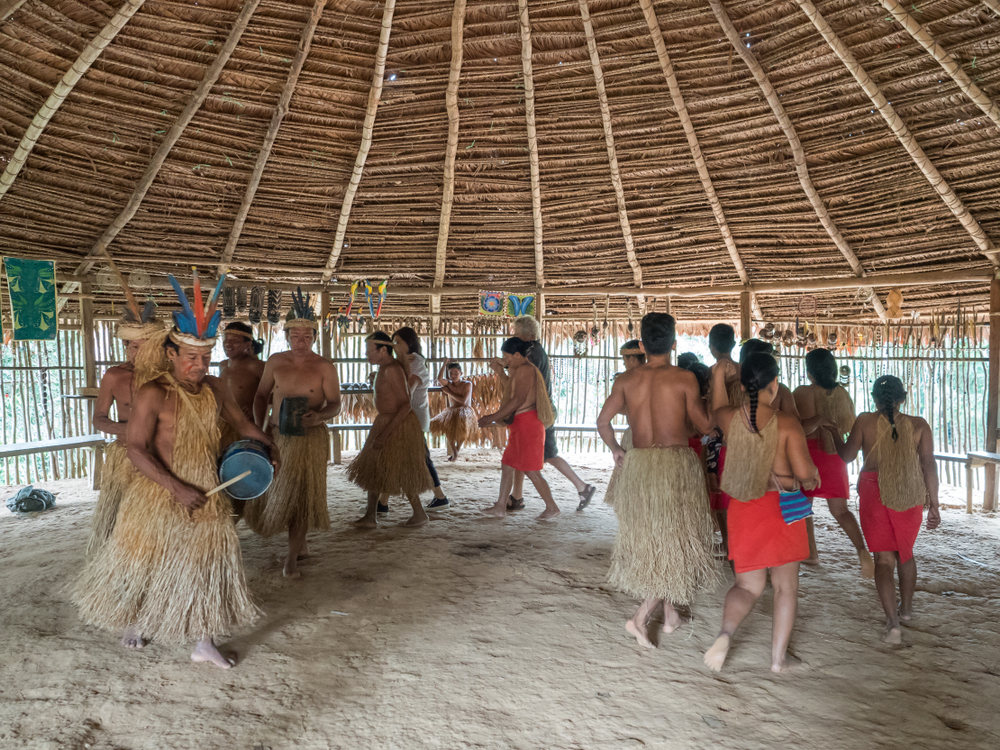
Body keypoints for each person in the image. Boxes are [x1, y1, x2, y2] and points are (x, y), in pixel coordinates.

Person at [74, 277, 278, 668]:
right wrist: (175, 487)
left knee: (209, 561)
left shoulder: (216, 387)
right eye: (189, 356)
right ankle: (134, 620)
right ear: (170, 352)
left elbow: (241, 423)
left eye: (204, 357)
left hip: (208, 485)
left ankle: (204, 640)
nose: (198, 365)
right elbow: (135, 449)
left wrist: (269, 444)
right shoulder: (154, 392)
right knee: (145, 557)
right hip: (158, 488)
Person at [597, 313, 717, 649]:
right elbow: (705, 426)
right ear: (674, 343)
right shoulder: (683, 379)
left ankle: (672, 616)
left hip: (641, 467)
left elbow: (603, 422)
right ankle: (639, 618)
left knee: (659, 540)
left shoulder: (626, 380)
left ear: (643, 344)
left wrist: (617, 451)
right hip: (674, 466)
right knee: (673, 538)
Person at [704, 353, 818, 673]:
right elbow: (805, 471)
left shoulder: (729, 418)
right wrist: (810, 476)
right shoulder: (787, 423)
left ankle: (725, 634)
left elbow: (716, 409)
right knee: (785, 588)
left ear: (742, 386)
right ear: (775, 384)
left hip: (744, 508)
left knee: (746, 587)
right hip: (780, 509)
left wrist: (716, 375)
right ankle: (778, 660)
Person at [826, 375, 939, 645]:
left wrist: (832, 433)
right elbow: (929, 465)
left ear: (875, 398)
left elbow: (847, 456)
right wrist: (934, 502)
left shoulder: (865, 421)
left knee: (884, 560)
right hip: (909, 493)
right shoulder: (919, 425)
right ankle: (907, 609)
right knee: (906, 554)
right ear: (902, 398)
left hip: (873, 491)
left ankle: (892, 624)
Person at [244, 293, 340, 579]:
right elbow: (261, 396)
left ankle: (291, 558)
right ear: (286, 336)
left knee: (301, 497)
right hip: (278, 437)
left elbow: (335, 404)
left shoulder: (324, 366)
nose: (302, 340)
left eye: (307, 335)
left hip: (309, 440)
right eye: (296, 335)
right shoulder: (275, 362)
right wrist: (262, 430)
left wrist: (318, 416)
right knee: (280, 492)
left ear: (313, 336)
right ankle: (301, 545)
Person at [490, 316, 596, 512]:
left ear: (528, 335)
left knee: (548, 456)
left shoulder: (530, 355)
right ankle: (517, 497)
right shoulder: (532, 352)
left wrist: (502, 371)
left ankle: (581, 488)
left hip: (537, 413)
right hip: (537, 411)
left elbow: (517, 393)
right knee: (522, 457)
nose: (515, 337)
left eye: (517, 334)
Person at [87, 310, 164, 558]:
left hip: (162, 455)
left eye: (144, 347)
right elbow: (98, 419)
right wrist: (131, 430)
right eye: (133, 346)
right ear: (125, 346)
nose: (137, 352)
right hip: (126, 457)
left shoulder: (168, 377)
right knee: (122, 520)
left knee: (157, 518)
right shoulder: (115, 375)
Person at [793, 349, 874, 579]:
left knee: (802, 507)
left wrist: (817, 421)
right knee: (840, 511)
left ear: (810, 372)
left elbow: (797, 427)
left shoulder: (802, 392)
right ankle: (861, 550)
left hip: (808, 454)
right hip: (834, 456)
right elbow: (848, 426)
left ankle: (811, 552)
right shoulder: (842, 394)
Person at [348, 331, 435, 528]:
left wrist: (385, 433)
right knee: (375, 467)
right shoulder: (384, 368)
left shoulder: (392, 369)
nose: (366, 354)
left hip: (397, 424)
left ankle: (419, 514)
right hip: (386, 421)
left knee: (401, 468)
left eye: (370, 350)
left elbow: (405, 405)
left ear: (383, 350)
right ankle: (371, 515)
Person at [479, 337, 559, 520]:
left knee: (531, 471)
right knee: (507, 465)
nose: (505, 361)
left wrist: (492, 417)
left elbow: (517, 400)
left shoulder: (526, 369)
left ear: (517, 354)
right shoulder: (519, 369)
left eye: (507, 357)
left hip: (528, 424)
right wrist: (500, 372)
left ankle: (552, 507)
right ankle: (500, 506)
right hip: (520, 424)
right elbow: (512, 391)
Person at [377, 327, 450, 512]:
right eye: (393, 342)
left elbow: (405, 392)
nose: (395, 345)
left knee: (419, 458)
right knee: (401, 458)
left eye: (398, 342)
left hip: (413, 418)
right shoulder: (403, 362)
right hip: (405, 417)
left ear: (409, 343)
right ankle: (383, 502)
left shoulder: (416, 364)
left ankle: (439, 497)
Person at [603, 340, 645, 507]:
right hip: (662, 444)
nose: (625, 364)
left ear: (633, 359)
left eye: (625, 360)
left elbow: (603, 420)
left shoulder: (626, 380)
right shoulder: (661, 377)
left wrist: (615, 448)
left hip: (635, 438)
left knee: (633, 497)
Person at [218, 321, 266, 453]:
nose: (228, 344)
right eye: (226, 339)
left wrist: (254, 409)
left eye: (234, 340)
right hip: (222, 426)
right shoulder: (222, 365)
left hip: (246, 428)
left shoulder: (258, 366)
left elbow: (271, 396)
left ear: (248, 344)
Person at [429, 361, 478, 462]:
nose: (453, 375)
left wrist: (449, 392)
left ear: (461, 373)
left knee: (462, 422)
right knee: (447, 423)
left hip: (465, 411)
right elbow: (439, 379)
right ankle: (454, 451)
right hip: (451, 411)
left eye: (456, 372)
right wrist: (444, 364)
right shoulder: (449, 383)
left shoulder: (467, 384)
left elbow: (463, 401)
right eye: (451, 373)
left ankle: (457, 449)